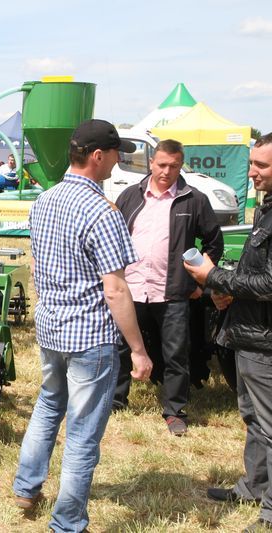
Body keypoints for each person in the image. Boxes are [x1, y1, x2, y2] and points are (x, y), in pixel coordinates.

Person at [12, 119, 152, 533]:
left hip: (53, 328)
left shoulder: (44, 200)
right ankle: (68, 520)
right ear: (97, 157)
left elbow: (38, 264)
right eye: (115, 153)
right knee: (83, 433)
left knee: (49, 405)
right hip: (90, 335)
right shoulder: (101, 211)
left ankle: (26, 488)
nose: (118, 160)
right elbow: (116, 290)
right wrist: (140, 351)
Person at [185, 133, 272, 532]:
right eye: (252, 163)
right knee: (253, 417)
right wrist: (228, 289)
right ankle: (253, 487)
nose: (252, 172)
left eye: (261, 166)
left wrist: (214, 275)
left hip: (265, 340)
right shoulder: (265, 209)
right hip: (250, 333)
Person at [113, 139, 223, 436]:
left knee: (176, 353)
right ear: (151, 162)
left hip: (173, 292)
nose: (166, 171)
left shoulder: (194, 199)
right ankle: (115, 401)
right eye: (161, 164)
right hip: (133, 288)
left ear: (180, 166)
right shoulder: (130, 196)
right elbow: (115, 238)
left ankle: (175, 411)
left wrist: (200, 280)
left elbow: (214, 242)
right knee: (121, 349)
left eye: (173, 166)